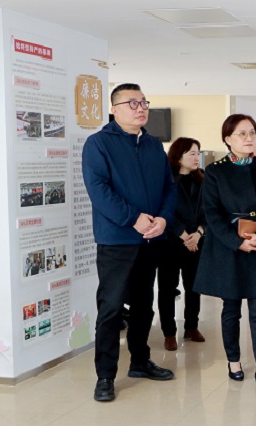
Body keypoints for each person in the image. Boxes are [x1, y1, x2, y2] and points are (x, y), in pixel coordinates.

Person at [82, 83, 177, 402]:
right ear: (114, 109)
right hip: (117, 240)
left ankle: (140, 361)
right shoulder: (98, 144)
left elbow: (169, 188)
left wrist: (163, 220)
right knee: (111, 309)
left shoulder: (153, 145)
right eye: (132, 103)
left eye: (144, 102)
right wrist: (133, 218)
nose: (141, 108)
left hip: (150, 239)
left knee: (143, 305)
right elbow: (98, 189)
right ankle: (105, 375)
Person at [193, 114, 256, 392]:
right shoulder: (215, 171)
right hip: (229, 247)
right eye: (242, 134)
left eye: (252, 133)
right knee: (231, 308)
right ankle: (233, 362)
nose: (249, 138)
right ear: (228, 139)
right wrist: (237, 242)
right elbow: (211, 213)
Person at [157, 137, 207, 351]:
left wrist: (199, 233)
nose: (197, 157)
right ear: (179, 157)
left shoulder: (202, 180)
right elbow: (163, 211)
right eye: (192, 153)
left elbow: (210, 211)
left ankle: (191, 327)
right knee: (167, 289)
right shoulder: (166, 181)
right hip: (170, 242)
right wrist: (183, 235)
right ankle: (169, 332)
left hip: (196, 242)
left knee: (194, 287)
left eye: (198, 153)